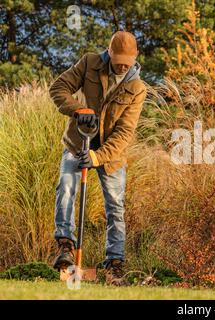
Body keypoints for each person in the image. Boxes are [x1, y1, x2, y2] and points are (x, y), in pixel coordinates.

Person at [49, 31, 147, 286]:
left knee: (115, 207)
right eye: (118, 59)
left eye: (128, 60)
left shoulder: (136, 88)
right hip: (76, 142)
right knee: (66, 188)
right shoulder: (90, 63)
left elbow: (125, 132)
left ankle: (114, 265)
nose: (122, 65)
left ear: (135, 57)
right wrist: (78, 110)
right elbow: (58, 88)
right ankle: (65, 249)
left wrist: (97, 156)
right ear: (109, 52)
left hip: (110, 155)